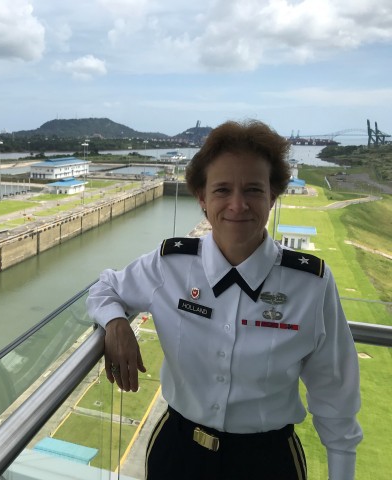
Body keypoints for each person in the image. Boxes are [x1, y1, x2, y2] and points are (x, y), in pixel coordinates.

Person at [86, 120, 362, 480]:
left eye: (253, 189)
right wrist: (116, 322)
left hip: (267, 462)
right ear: (202, 198)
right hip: (177, 454)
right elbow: (104, 287)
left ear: (272, 196)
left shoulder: (310, 283)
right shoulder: (170, 264)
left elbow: (335, 396)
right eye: (221, 190)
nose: (237, 204)